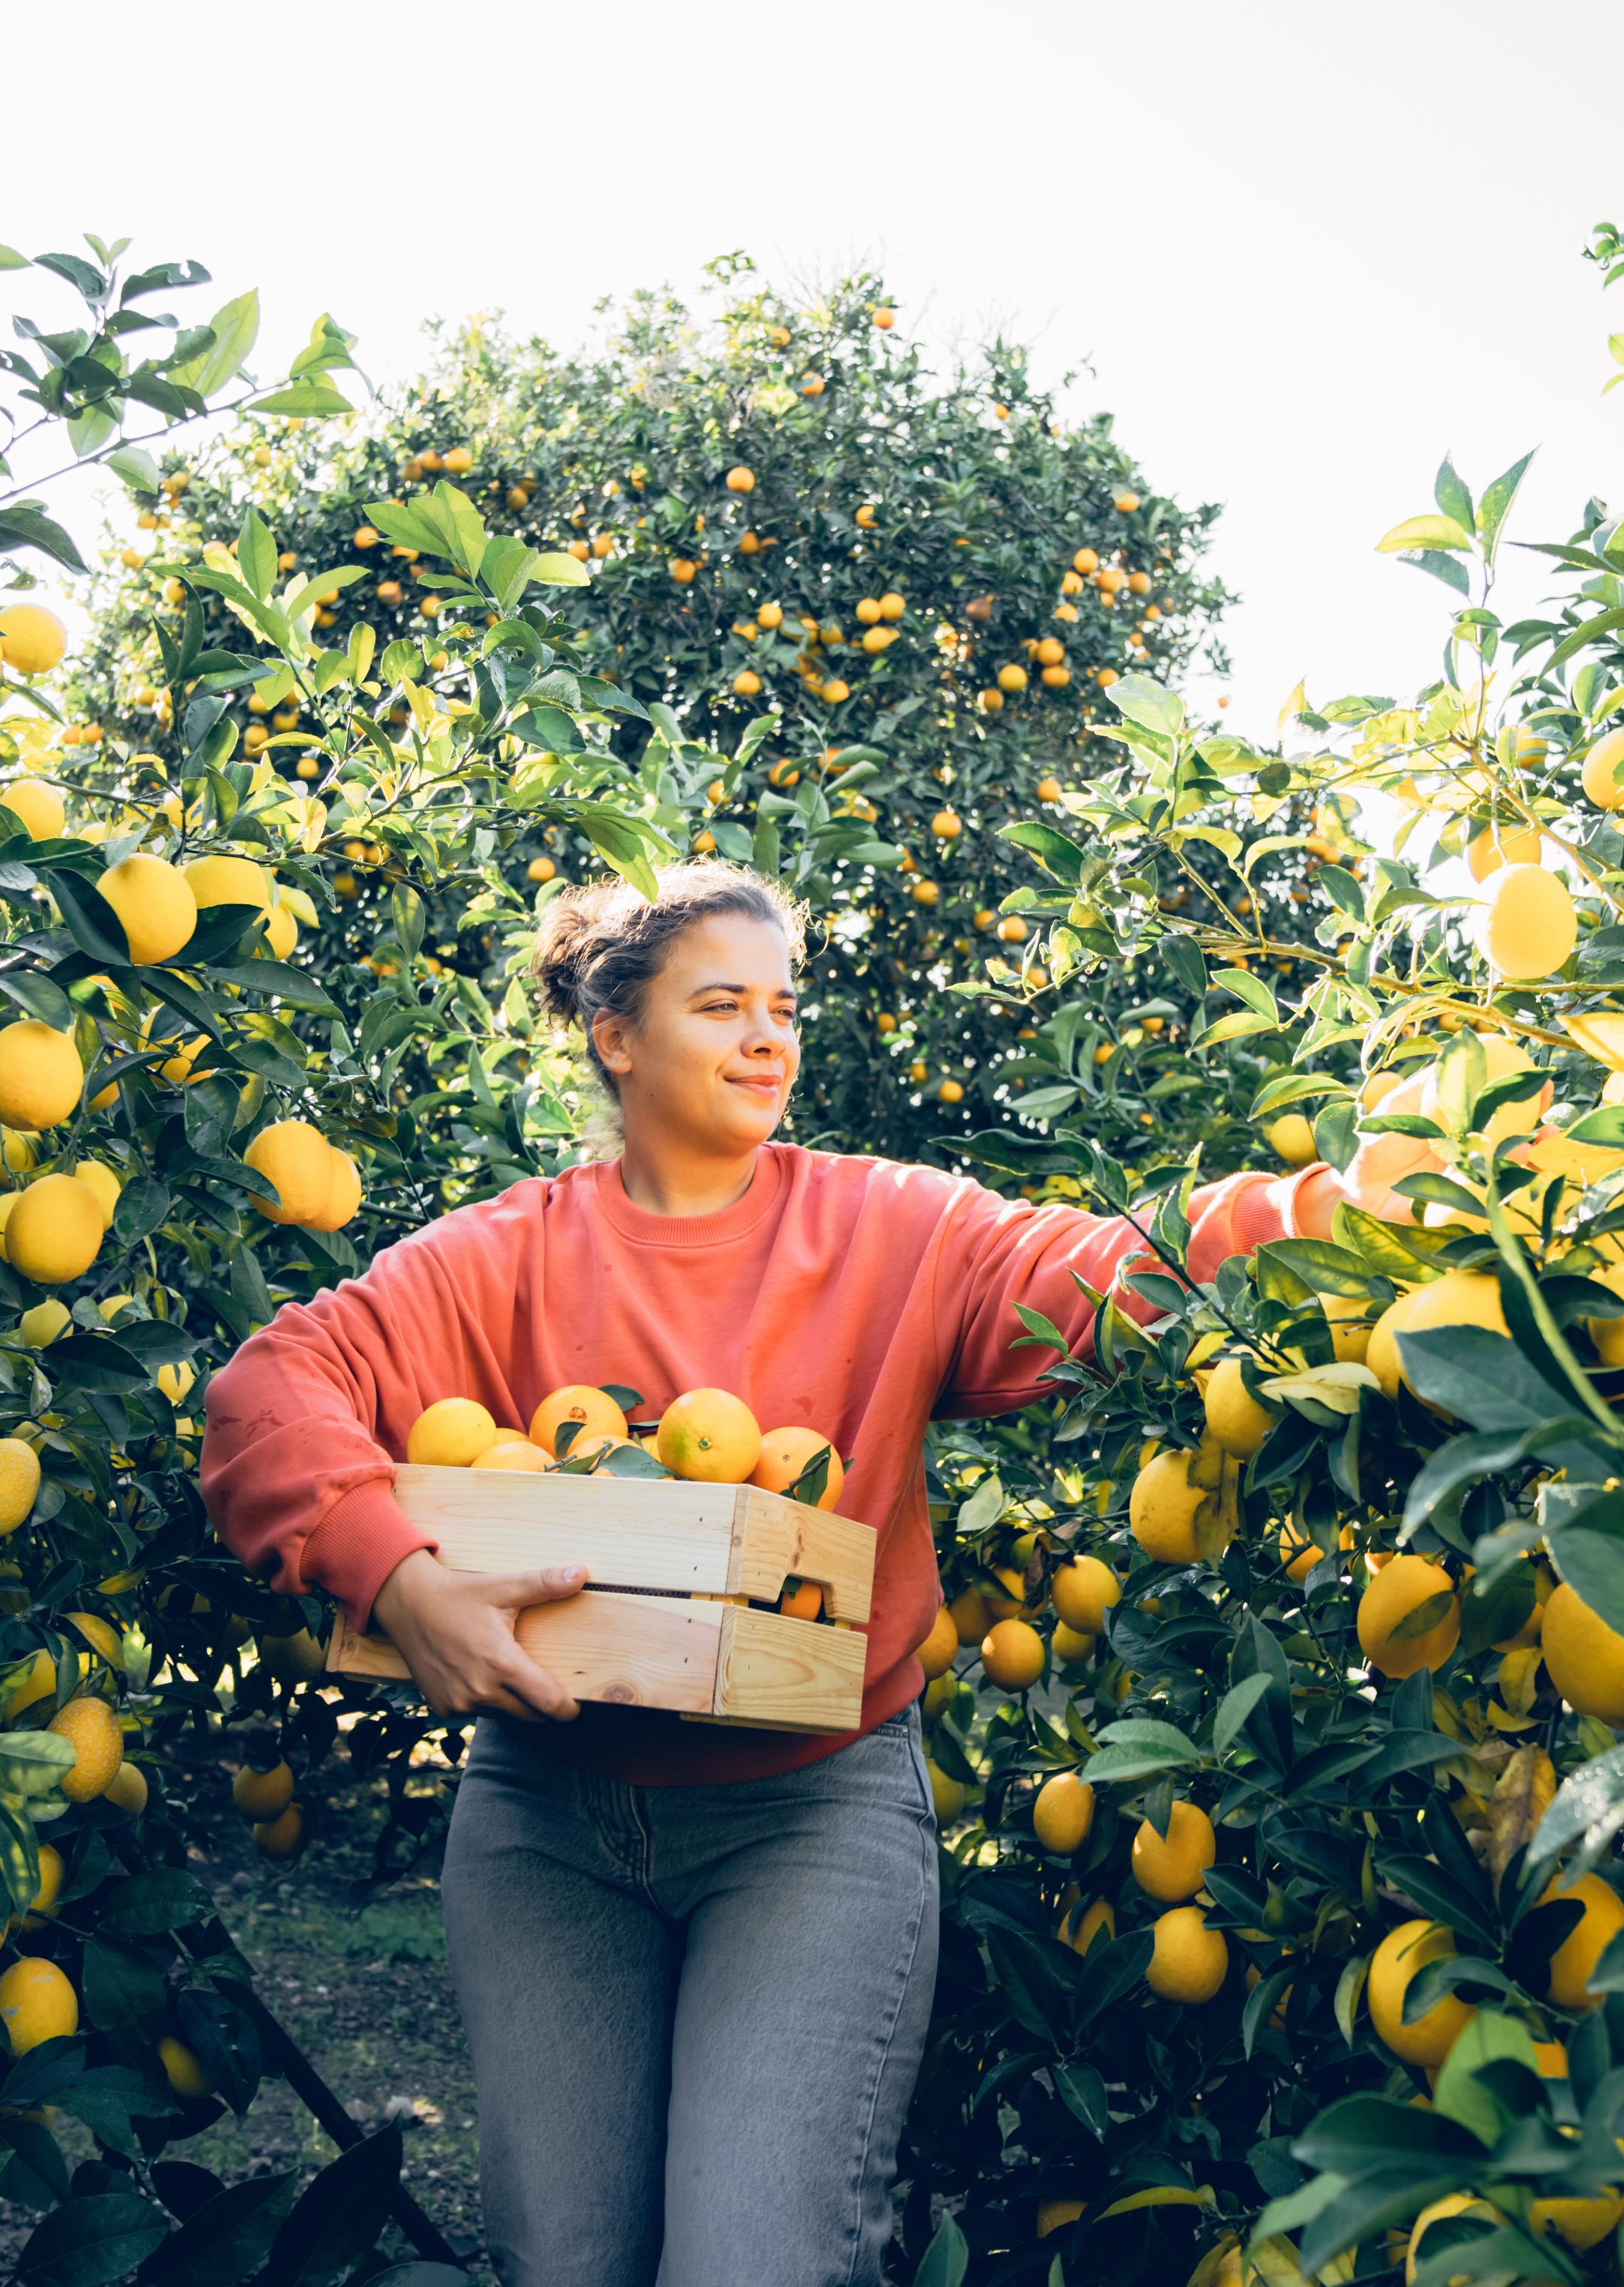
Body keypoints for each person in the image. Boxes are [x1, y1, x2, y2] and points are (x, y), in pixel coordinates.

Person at [197, 863, 1338, 2287]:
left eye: (782, 1008)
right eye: (721, 1004)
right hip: (542, 1821)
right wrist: (398, 1580)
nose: (768, 1039)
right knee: (566, 2264)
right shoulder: (499, 1258)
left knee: (756, 2260)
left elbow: (1103, 1267)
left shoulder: (892, 1231)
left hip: (810, 1814)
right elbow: (270, 1389)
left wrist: (1326, 1211)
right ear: (616, 1036)